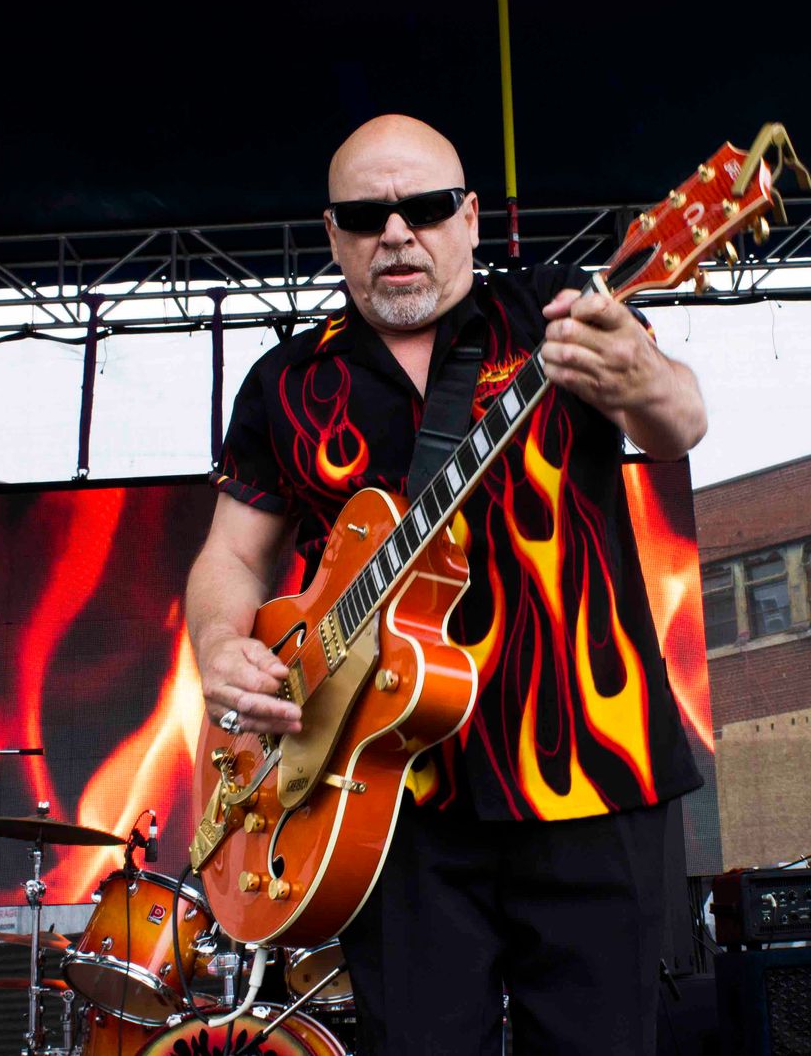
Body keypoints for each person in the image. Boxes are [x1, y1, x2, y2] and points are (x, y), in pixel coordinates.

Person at [186, 114, 707, 1053]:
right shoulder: (286, 382)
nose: (396, 233)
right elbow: (232, 555)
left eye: (424, 208)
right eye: (366, 216)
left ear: (469, 217)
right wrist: (220, 644)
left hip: (593, 763)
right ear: (333, 233)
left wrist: (643, 374)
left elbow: (679, 425)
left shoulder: (556, 310)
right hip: (383, 800)